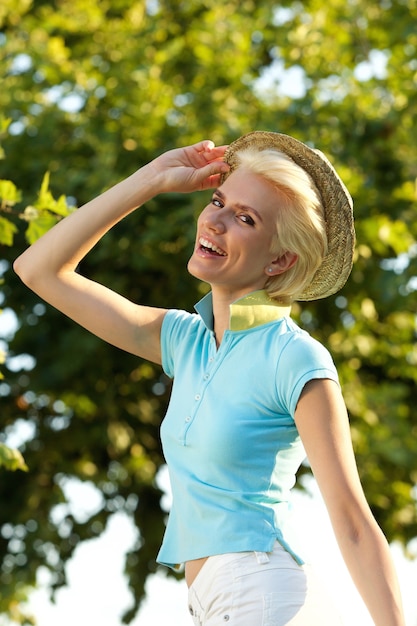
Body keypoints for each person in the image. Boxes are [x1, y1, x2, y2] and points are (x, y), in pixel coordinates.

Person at [14, 131, 405, 626]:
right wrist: (152, 179)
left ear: (280, 259)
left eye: (245, 218)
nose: (215, 221)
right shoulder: (185, 340)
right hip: (208, 603)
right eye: (219, 201)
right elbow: (38, 269)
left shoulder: (296, 358)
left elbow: (353, 523)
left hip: (258, 592)